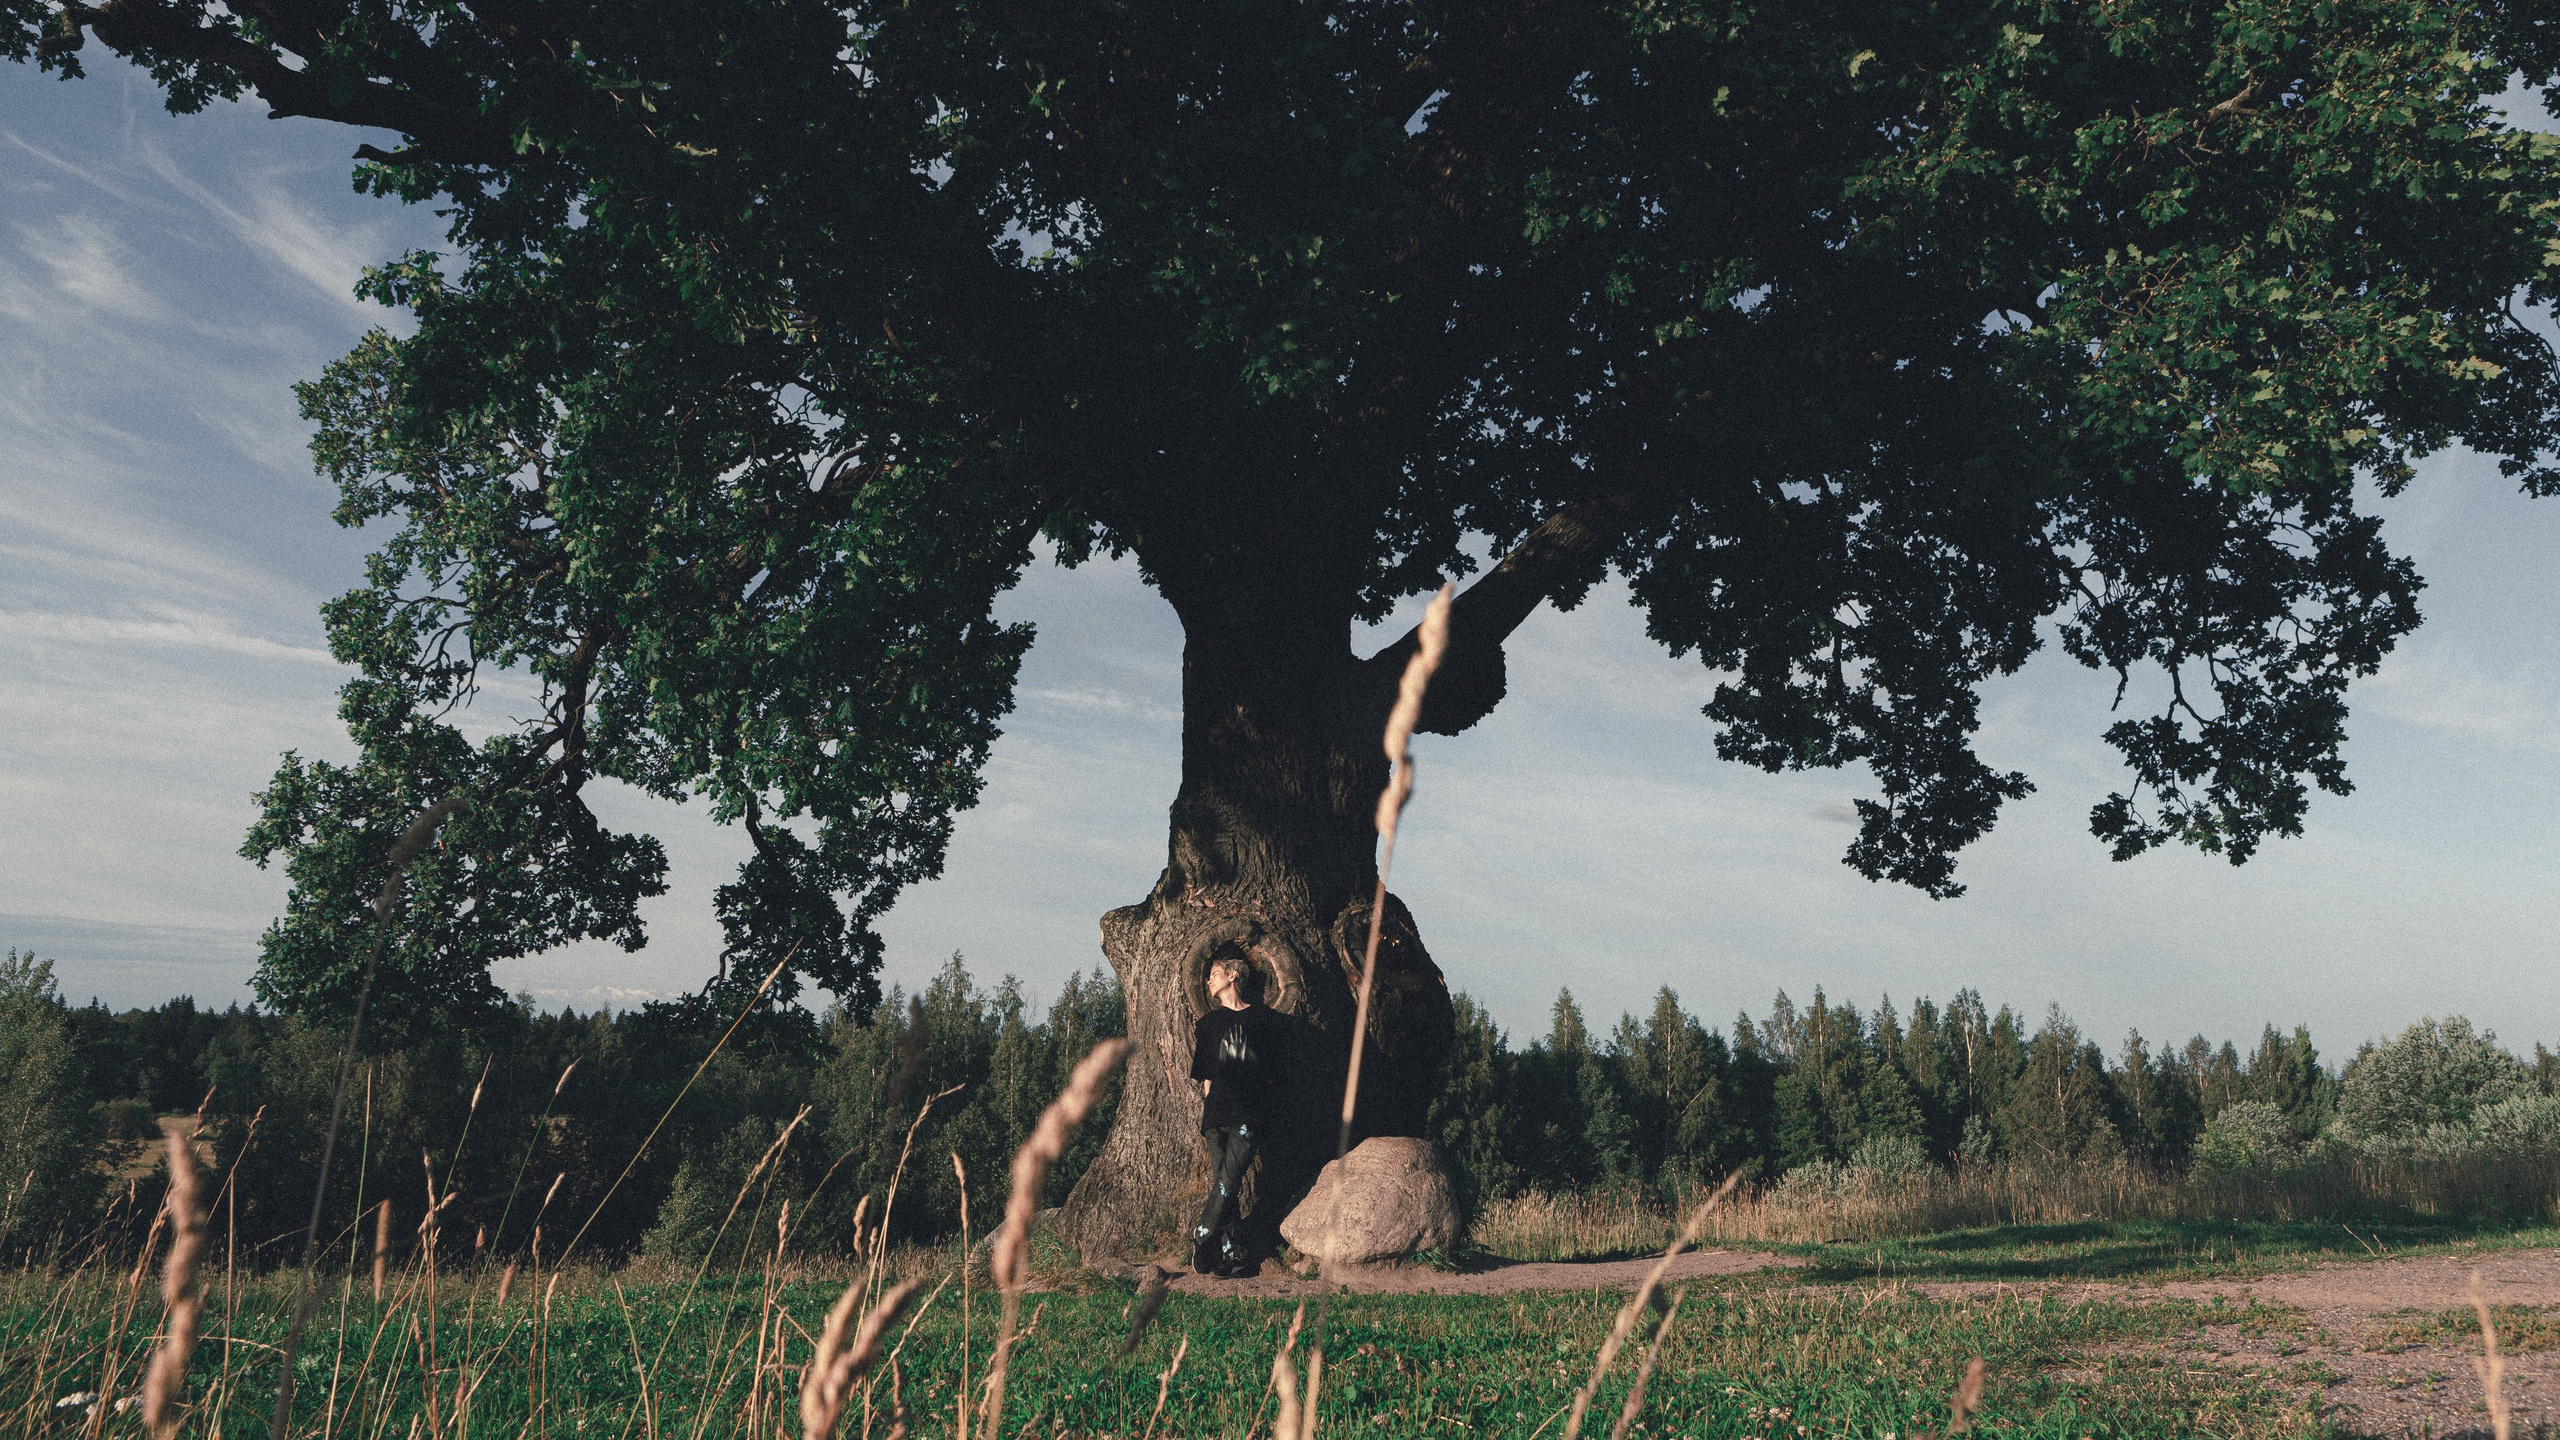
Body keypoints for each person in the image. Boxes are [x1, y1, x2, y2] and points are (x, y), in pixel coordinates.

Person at [1188, 949, 1289, 1277]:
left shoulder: (1262, 1019)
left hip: (1249, 1114)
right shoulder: (1207, 1024)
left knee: (1229, 1179)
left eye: (1214, 973)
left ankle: (1203, 1234)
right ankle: (1234, 1253)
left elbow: (1273, 1069)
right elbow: (1205, 1075)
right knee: (1224, 1183)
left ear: (1233, 975)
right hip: (1216, 1116)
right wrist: (1208, 1110)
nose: (1209, 980)